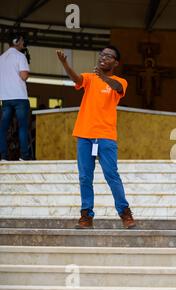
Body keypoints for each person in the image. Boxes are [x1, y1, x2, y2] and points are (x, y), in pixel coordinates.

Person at [56, 46, 136, 229]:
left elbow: (117, 88)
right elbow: (77, 79)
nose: (104, 58)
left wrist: (103, 77)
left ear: (115, 63)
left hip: (105, 136)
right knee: (85, 177)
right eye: (102, 55)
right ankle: (86, 216)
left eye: (109, 56)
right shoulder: (90, 78)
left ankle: (125, 214)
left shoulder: (120, 81)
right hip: (84, 134)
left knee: (111, 175)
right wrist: (65, 64)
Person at [0, 32, 32, 161]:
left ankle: (3, 156)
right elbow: (24, 76)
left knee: (3, 128)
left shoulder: (1, 58)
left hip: (6, 98)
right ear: (16, 41)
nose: (23, 43)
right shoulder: (20, 56)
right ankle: (24, 156)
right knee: (23, 127)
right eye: (22, 41)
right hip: (20, 97)